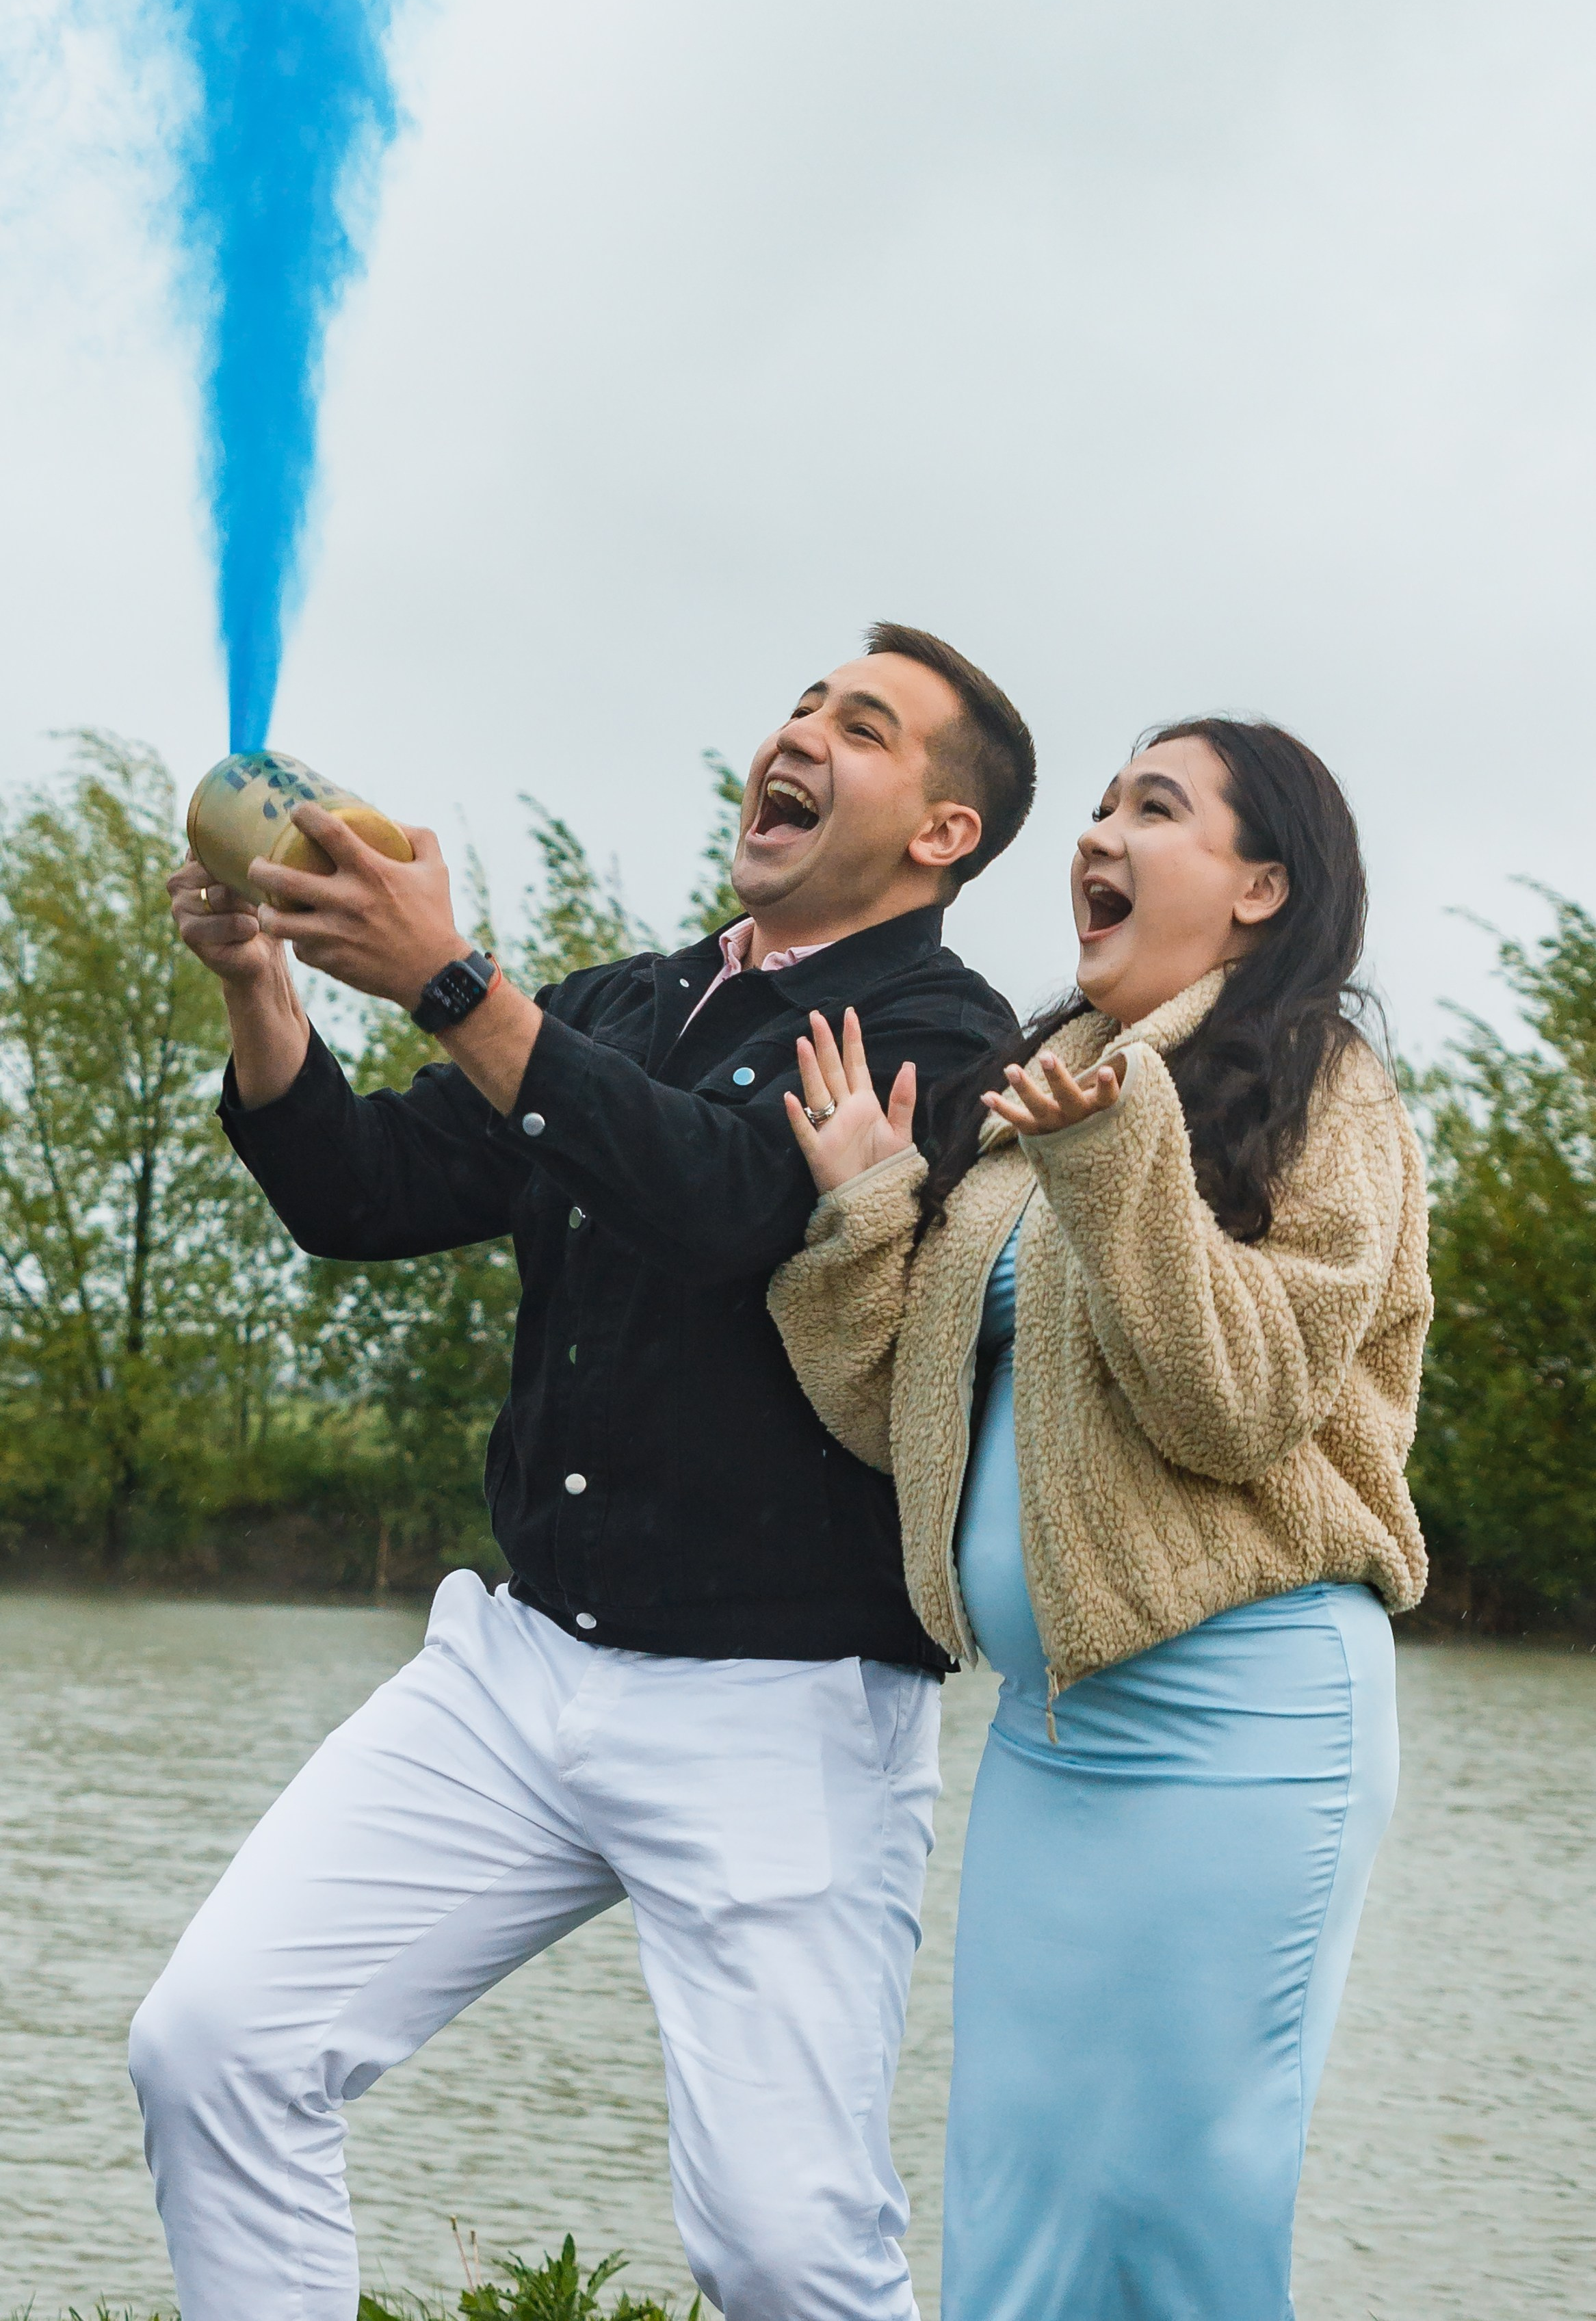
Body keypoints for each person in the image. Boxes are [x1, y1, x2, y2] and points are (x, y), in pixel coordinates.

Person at [131, 624, 1033, 2321]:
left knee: (785, 2252)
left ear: (942, 834)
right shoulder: (627, 1000)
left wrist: (458, 985)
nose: (798, 733)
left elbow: (723, 1205)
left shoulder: (943, 1031)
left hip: (782, 1701)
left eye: (861, 725)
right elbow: (359, 1192)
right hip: (521, 1659)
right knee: (215, 2047)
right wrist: (263, 985)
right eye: (798, 703)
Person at [768, 716, 1433, 2321]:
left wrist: (1117, 1158)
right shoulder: (1044, 1095)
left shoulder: (1322, 1089)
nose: (1099, 835)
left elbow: (1241, 1399)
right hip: (1055, 1741)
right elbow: (905, 1421)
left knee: (1177, 2204)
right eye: (1100, 804)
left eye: (1157, 807)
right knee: (1019, 2198)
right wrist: (865, 1209)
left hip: (1248, 1721)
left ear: (1262, 884)